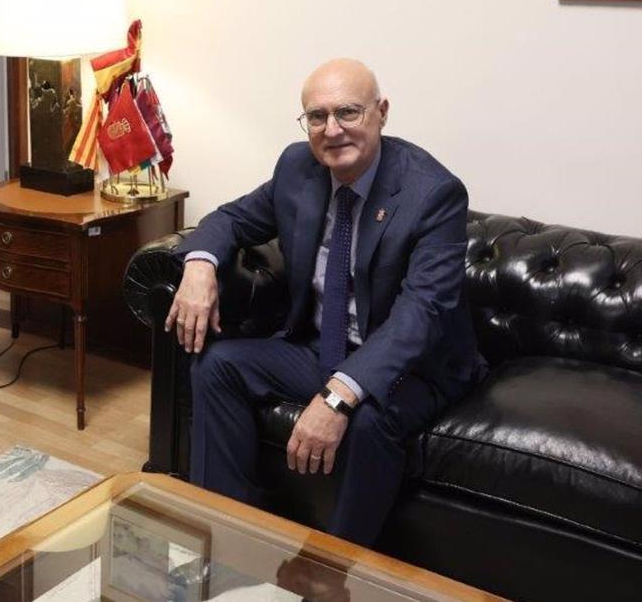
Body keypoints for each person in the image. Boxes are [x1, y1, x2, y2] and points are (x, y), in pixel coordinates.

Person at [165, 58, 484, 546]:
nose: (332, 130)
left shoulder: (432, 193)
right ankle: (225, 528)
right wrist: (199, 267)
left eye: (348, 113)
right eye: (317, 117)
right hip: (324, 345)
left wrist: (337, 397)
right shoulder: (298, 168)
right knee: (217, 364)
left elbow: (421, 314)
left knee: (371, 419)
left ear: (381, 112)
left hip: (417, 366)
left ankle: (336, 567)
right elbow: (229, 219)